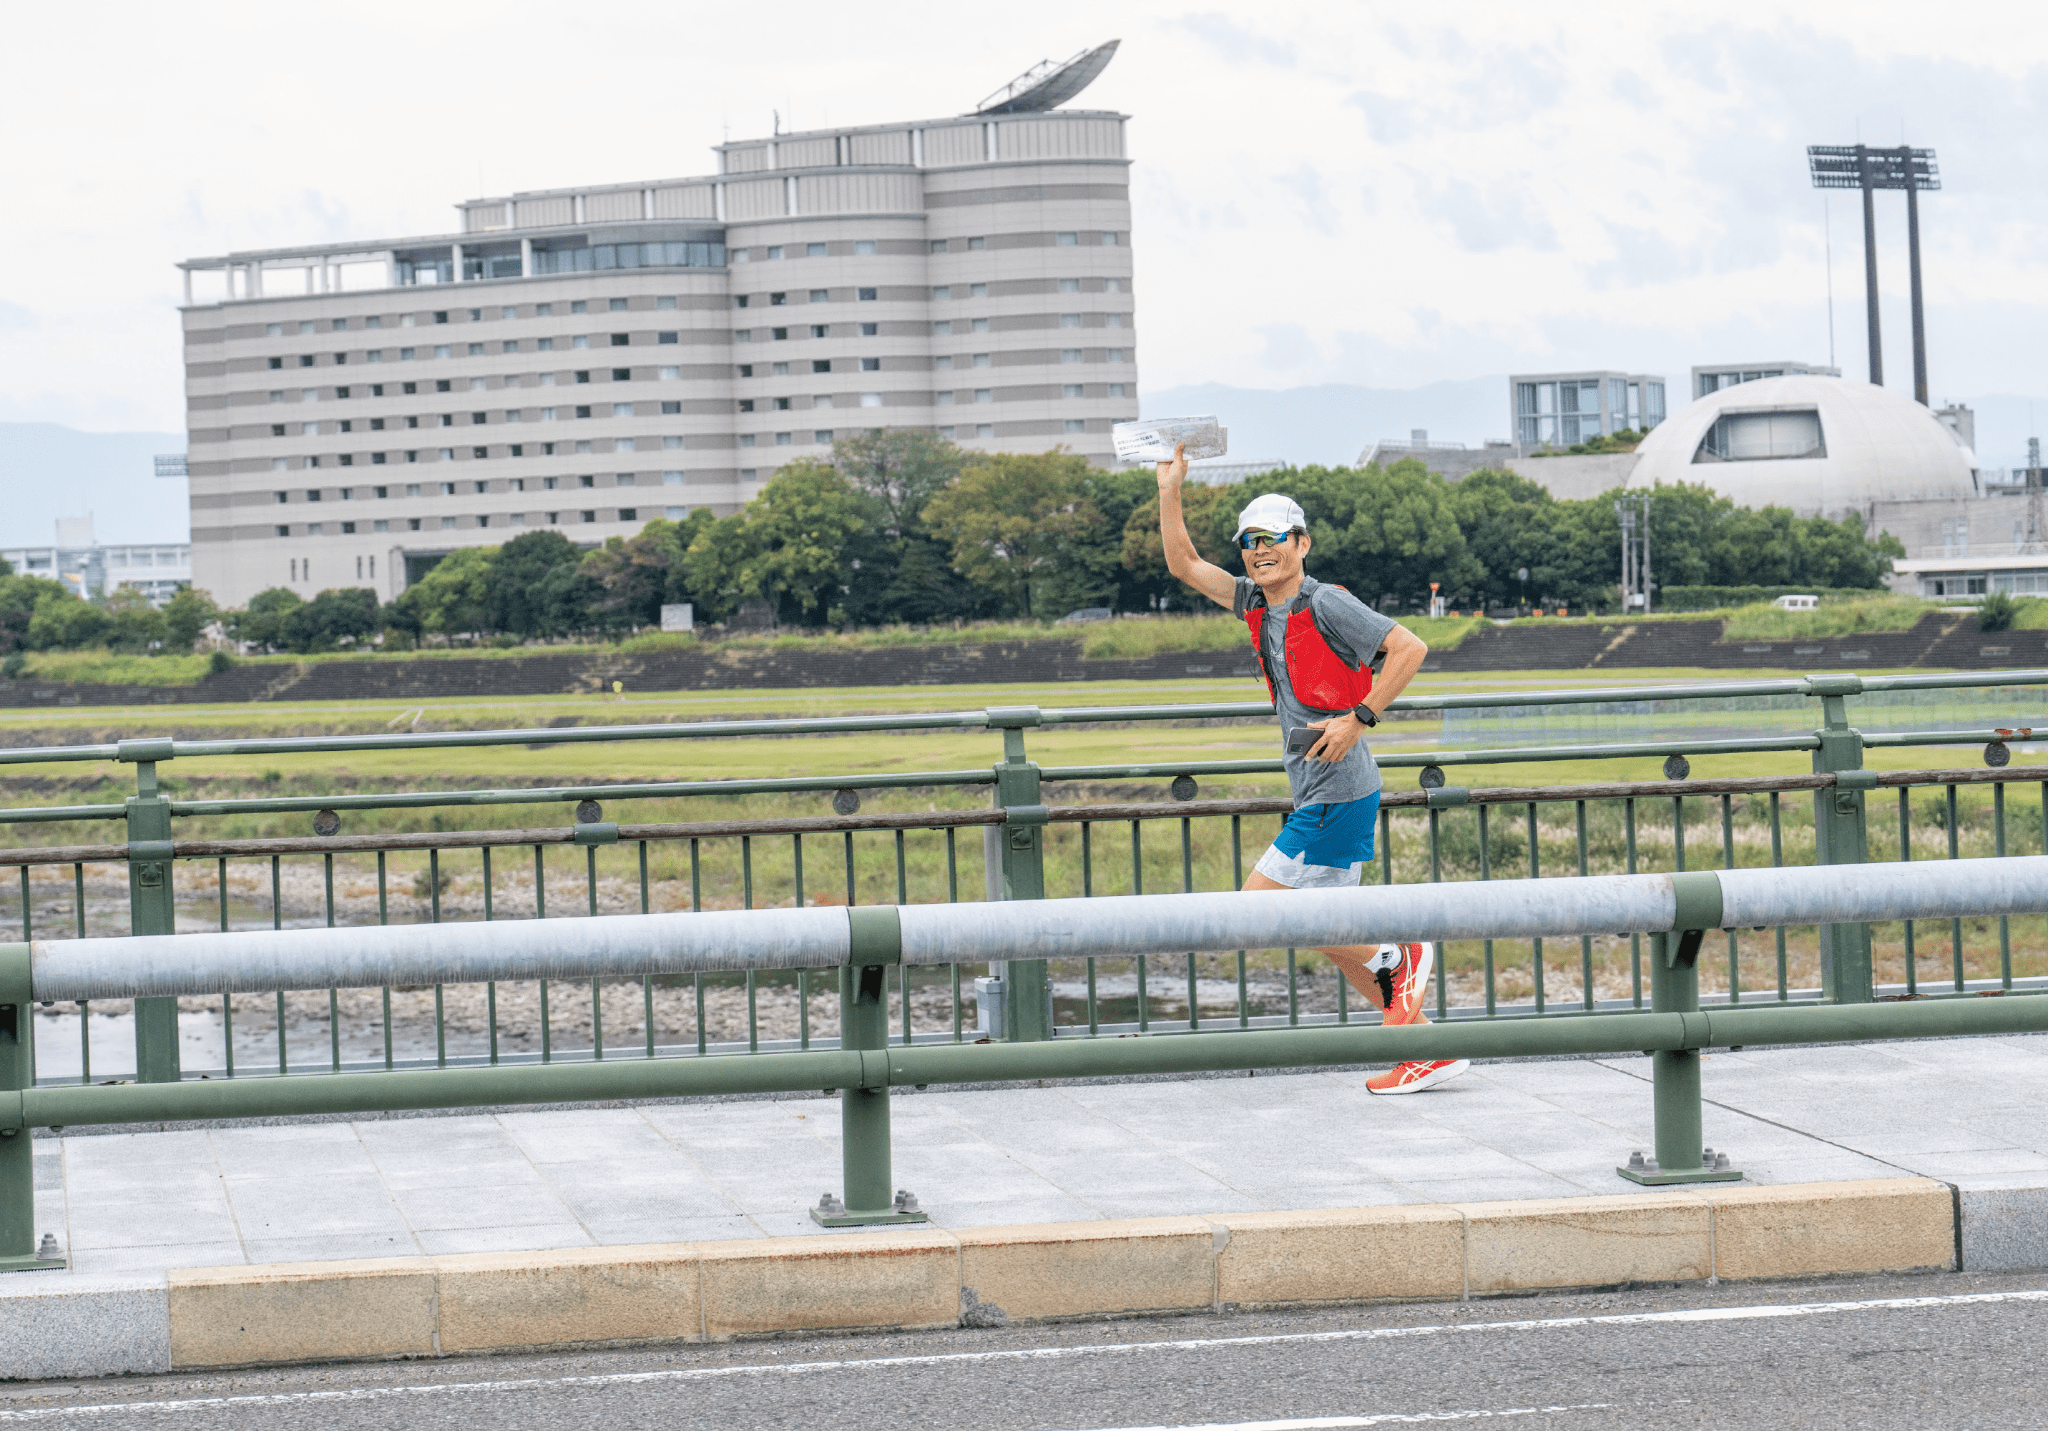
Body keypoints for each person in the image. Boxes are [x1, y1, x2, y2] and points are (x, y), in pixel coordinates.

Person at [1155, 445, 1469, 1094]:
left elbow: (1410, 647)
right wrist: (1170, 487)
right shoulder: (1252, 601)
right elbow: (1184, 563)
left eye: (1272, 538)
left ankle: (1403, 951)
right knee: (1333, 933)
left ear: (1302, 543)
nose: (1258, 549)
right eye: (1249, 540)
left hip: (1336, 791)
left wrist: (1360, 716)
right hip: (1331, 790)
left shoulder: (1327, 603)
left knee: (1257, 911)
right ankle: (1425, 1049)